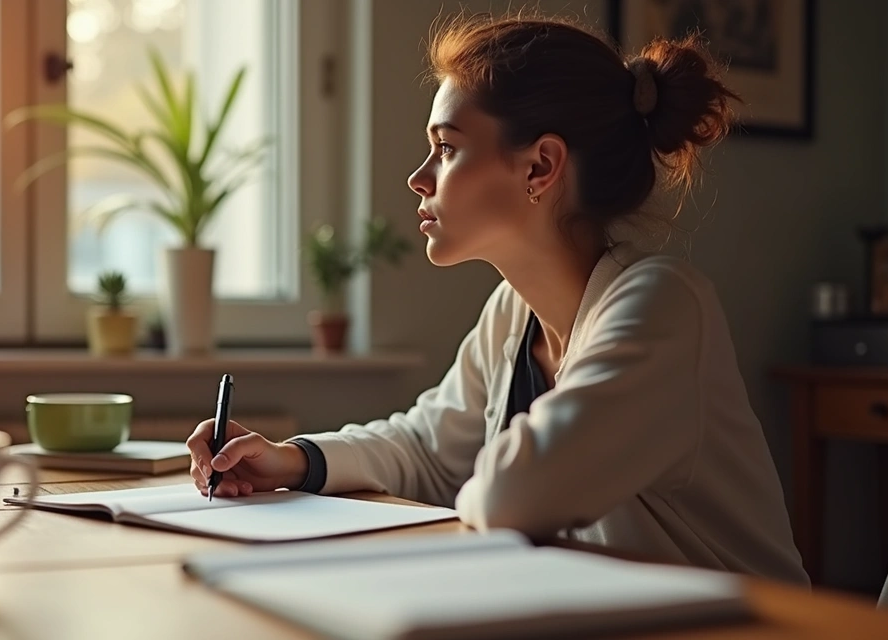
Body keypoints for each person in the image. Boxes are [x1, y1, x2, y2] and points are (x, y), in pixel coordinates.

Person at [185, 12, 809, 587]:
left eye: (448, 147)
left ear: (540, 166)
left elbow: (515, 497)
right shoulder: (514, 311)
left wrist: (475, 485)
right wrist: (290, 461)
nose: (419, 177)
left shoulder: (662, 307)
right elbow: (428, 448)